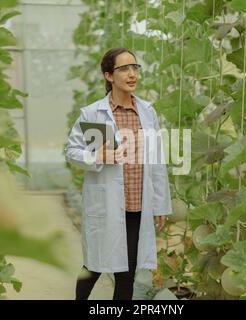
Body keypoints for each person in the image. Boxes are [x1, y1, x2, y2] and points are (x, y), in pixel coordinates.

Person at [64, 47, 172, 300]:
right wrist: (97, 157)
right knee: (94, 266)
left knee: (127, 272)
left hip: (137, 205)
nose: (132, 74)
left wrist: (160, 205)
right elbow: (72, 151)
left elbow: (156, 162)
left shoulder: (147, 112)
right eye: (124, 68)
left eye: (135, 67)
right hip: (107, 204)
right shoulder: (94, 114)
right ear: (109, 75)